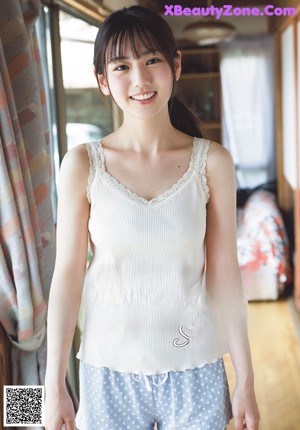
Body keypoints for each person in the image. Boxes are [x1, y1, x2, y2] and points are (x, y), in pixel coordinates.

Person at [45, 5, 260, 430]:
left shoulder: (212, 162)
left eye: (152, 60)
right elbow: (67, 277)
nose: (140, 80)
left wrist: (246, 379)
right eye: (122, 66)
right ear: (103, 81)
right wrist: (54, 388)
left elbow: (225, 276)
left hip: (196, 368)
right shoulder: (81, 164)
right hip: (107, 372)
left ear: (175, 64)